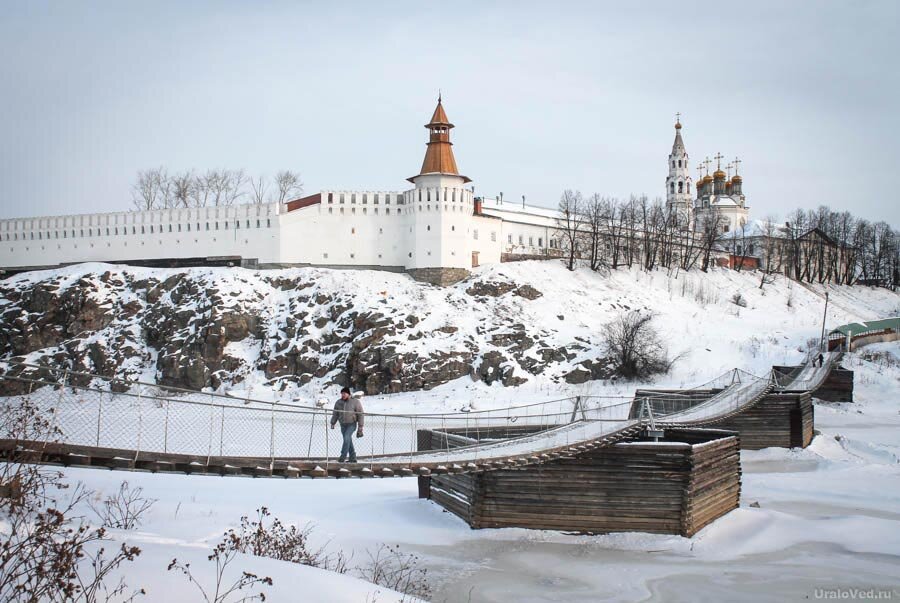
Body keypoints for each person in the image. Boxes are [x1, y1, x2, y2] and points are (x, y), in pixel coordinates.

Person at [330, 387, 364, 463]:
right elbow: (335, 413)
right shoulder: (338, 402)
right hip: (343, 424)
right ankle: (353, 457)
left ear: (348, 394)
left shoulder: (355, 402)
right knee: (348, 440)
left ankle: (343, 456)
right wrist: (333, 422)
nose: (343, 395)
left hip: (352, 424)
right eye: (342, 394)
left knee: (346, 437)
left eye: (344, 393)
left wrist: (360, 426)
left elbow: (360, 414)